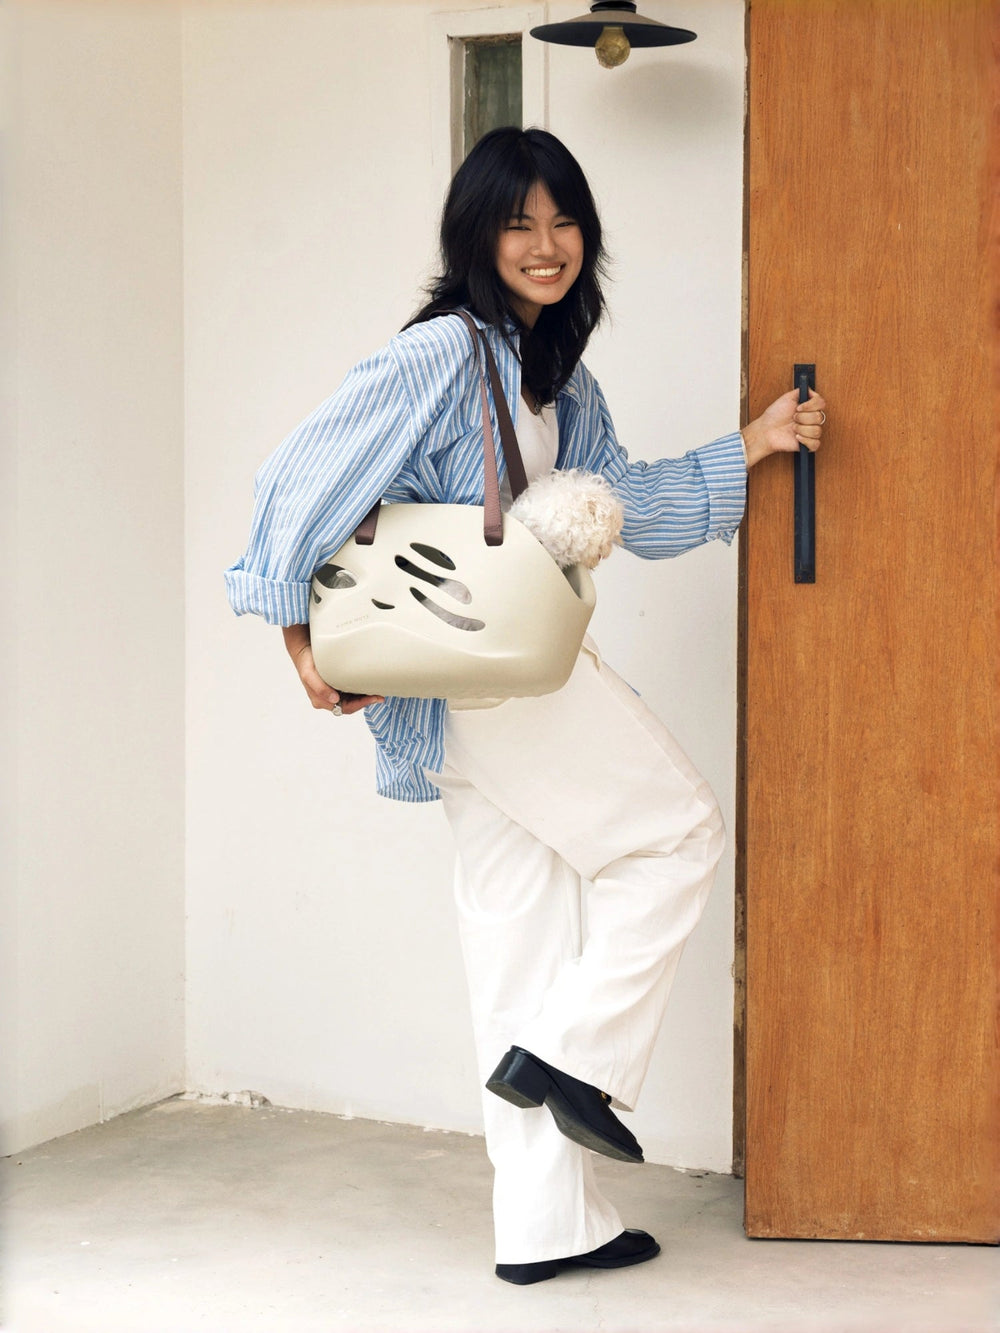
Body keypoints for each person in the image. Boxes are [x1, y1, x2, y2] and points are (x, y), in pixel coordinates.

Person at [226, 126, 825, 1285]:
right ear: (477, 237)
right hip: (485, 683)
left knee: (522, 936)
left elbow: (631, 506)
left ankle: (550, 1225)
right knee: (676, 832)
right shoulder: (444, 354)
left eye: (563, 221)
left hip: (465, 700)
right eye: (518, 222)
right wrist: (298, 642)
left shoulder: (554, 376)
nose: (544, 245)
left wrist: (749, 446)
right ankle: (568, 1055)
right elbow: (294, 478)